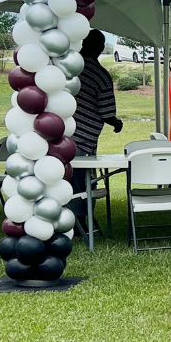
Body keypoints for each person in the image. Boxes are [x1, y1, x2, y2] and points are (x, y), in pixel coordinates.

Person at [70, 30, 123, 212]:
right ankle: (79, 221)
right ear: (100, 48)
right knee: (80, 182)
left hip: (59, 133)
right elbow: (106, 111)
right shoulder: (100, 74)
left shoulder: (67, 67)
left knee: (65, 179)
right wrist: (116, 123)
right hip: (83, 138)